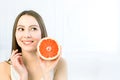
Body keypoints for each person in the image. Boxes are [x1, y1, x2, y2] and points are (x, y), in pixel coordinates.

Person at [0, 10, 67, 80]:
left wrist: (47, 73)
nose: (27, 35)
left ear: (42, 33)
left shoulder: (60, 64)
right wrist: (23, 76)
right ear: (15, 34)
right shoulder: (4, 68)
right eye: (21, 29)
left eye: (33, 29)